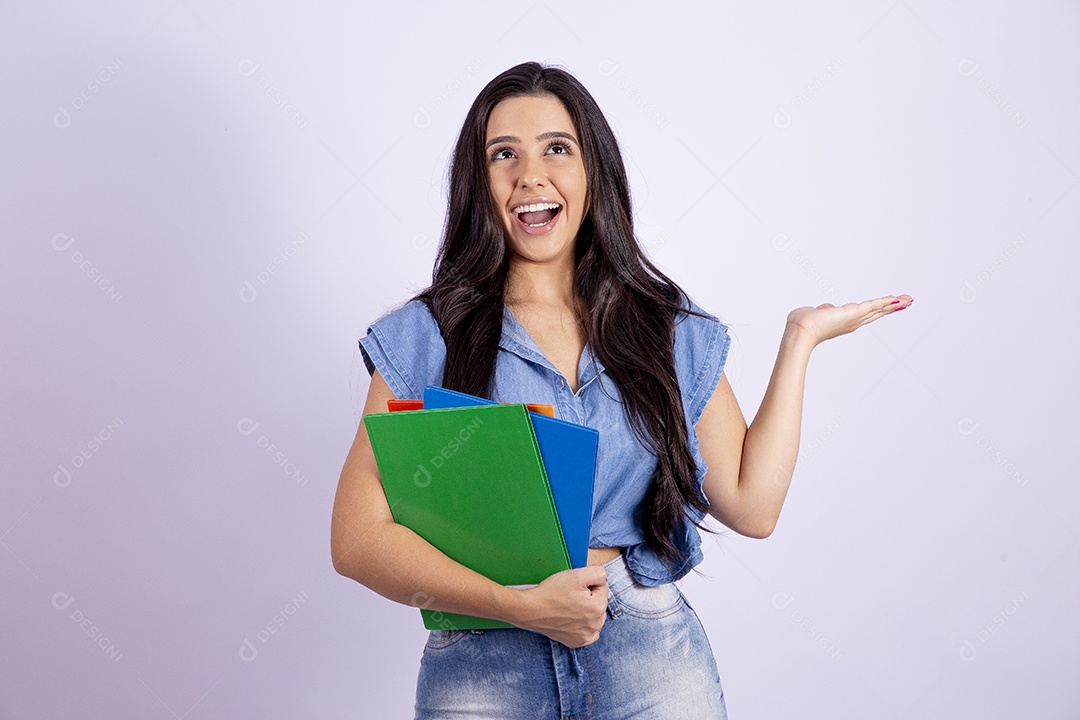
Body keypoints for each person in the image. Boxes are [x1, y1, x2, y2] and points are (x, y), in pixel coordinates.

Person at [331, 61, 912, 719]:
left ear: (592, 172)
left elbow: (752, 506)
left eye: (557, 148)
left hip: (649, 658)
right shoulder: (425, 336)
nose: (531, 174)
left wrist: (799, 342)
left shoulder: (661, 327)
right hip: (482, 663)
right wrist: (519, 606)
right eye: (504, 154)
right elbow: (355, 539)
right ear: (478, 181)